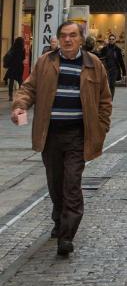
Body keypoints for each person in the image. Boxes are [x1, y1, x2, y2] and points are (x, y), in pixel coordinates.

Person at [10, 21, 112, 256]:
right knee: (56, 183)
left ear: (81, 38)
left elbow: (105, 100)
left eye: (73, 36)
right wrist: (19, 105)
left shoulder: (93, 64)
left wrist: (101, 127)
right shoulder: (45, 62)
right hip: (51, 134)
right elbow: (28, 89)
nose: (68, 40)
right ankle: (59, 218)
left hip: (78, 135)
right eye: (64, 36)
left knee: (72, 184)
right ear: (58, 39)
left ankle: (67, 235)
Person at [96, 34, 127, 98]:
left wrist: (124, 73)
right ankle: (106, 97)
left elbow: (121, 61)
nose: (111, 40)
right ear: (108, 40)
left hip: (114, 70)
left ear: (115, 40)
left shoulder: (118, 50)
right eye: (110, 39)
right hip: (106, 69)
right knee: (106, 84)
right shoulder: (105, 49)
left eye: (113, 39)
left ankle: (110, 99)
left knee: (112, 84)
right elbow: (98, 56)